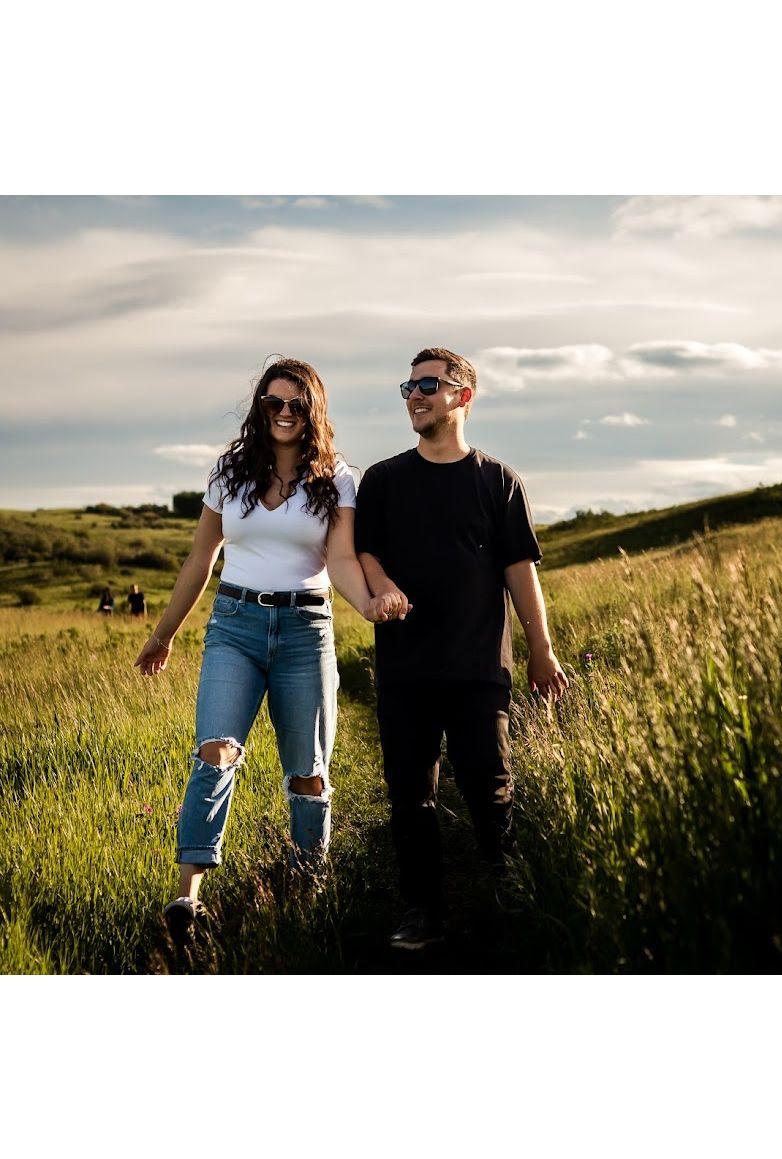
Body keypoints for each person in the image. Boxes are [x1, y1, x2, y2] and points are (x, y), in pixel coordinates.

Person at [133, 356, 398, 951]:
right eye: (273, 402)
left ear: (313, 412)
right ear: (259, 408)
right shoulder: (230, 473)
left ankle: (308, 889)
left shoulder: (337, 479)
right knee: (215, 750)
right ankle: (188, 896)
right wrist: (163, 634)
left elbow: (340, 560)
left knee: (308, 772)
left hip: (306, 630)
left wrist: (368, 604)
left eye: (296, 405)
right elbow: (201, 559)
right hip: (235, 626)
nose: (283, 413)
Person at [355, 346, 569, 951]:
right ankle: (423, 910)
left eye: (428, 385)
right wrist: (382, 584)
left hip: (479, 666)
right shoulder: (383, 480)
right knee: (410, 796)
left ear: (462, 396)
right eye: (408, 387)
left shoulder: (497, 480)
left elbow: (520, 571)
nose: (414, 396)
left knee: (489, 784)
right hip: (405, 667)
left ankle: (510, 896)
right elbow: (365, 551)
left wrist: (541, 649)